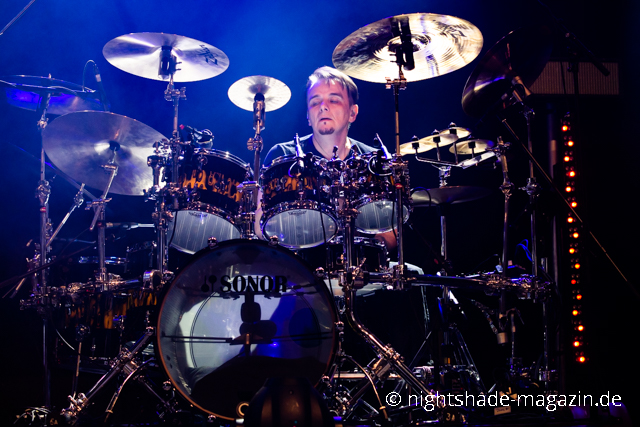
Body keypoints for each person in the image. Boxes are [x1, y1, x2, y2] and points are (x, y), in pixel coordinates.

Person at [256, 66, 397, 249]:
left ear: (352, 113)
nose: (323, 107)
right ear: (308, 116)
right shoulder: (283, 156)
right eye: (315, 102)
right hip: (298, 261)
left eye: (333, 100)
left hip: (361, 262)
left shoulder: (373, 162)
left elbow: (391, 235)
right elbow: (260, 226)